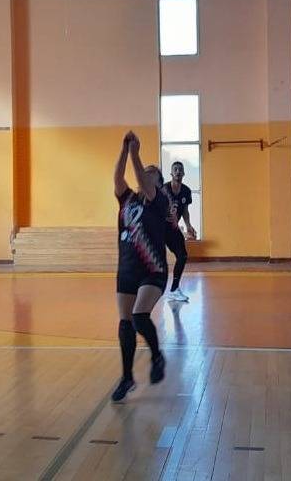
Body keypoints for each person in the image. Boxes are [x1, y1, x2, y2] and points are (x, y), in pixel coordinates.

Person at [111, 132, 168, 402]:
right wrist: (124, 150)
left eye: (152, 173)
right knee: (125, 324)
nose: (146, 173)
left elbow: (144, 183)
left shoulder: (160, 201)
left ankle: (157, 357)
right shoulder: (128, 200)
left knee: (139, 317)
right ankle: (127, 378)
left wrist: (136, 153)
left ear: (159, 182)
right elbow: (118, 179)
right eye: (145, 171)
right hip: (127, 269)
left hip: (152, 269)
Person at [161, 161, 196, 302]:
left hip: (173, 228)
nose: (178, 171)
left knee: (182, 256)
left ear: (183, 173)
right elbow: (155, 207)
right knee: (156, 259)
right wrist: (163, 216)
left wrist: (188, 225)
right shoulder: (164, 189)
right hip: (159, 228)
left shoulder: (186, 191)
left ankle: (174, 290)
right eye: (175, 169)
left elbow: (185, 211)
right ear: (171, 173)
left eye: (180, 169)